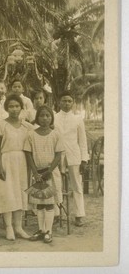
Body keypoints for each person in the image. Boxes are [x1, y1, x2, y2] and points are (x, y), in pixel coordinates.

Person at [0, 94, 34, 241]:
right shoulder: (0, 125)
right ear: (6, 108)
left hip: (22, 162)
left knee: (20, 192)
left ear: (21, 108)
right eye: (11, 106)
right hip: (6, 160)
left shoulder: (27, 126)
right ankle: (8, 227)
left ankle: (18, 227)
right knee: (7, 193)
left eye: (17, 106)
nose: (14, 109)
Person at [24, 105, 64, 243]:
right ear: (37, 118)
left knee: (49, 203)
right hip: (37, 174)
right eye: (42, 115)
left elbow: (58, 155)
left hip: (51, 173)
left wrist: (49, 171)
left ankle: (48, 231)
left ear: (51, 117)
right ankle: (41, 230)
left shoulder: (56, 134)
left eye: (48, 115)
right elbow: (28, 154)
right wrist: (35, 172)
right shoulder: (31, 134)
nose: (45, 118)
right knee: (39, 203)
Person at [54, 91, 89, 227]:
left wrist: (84, 159)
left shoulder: (77, 119)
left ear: (73, 103)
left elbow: (82, 141)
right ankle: (57, 213)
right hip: (57, 155)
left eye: (69, 101)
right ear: (59, 102)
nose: (67, 103)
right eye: (64, 100)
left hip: (74, 155)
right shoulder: (54, 117)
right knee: (56, 184)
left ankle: (79, 214)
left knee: (76, 185)